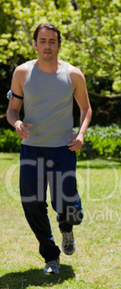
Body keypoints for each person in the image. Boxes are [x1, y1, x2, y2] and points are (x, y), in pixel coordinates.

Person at [6, 23, 92, 275]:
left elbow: (86, 109)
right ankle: (51, 257)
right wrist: (17, 122)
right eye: (42, 41)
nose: (47, 45)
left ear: (59, 45)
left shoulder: (73, 75)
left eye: (52, 41)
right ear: (35, 44)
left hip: (63, 149)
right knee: (32, 205)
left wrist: (81, 134)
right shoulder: (22, 73)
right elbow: (12, 110)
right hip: (32, 150)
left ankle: (67, 226)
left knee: (69, 209)